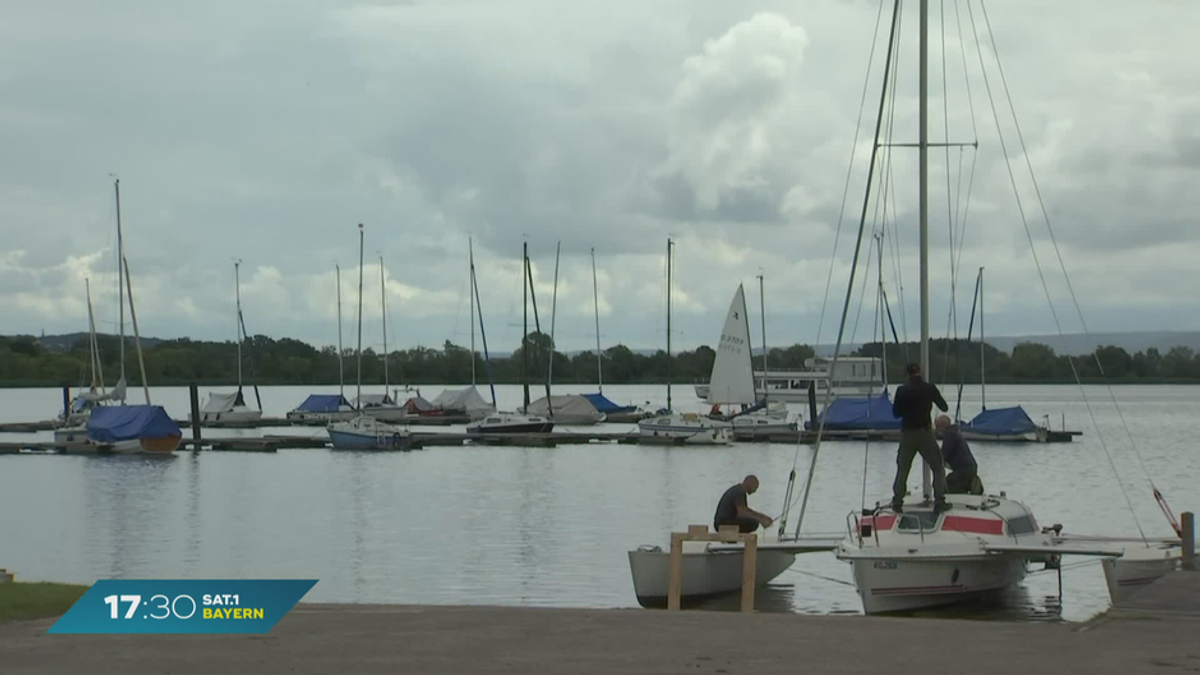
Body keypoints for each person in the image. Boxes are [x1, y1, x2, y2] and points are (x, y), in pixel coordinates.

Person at [890, 362, 950, 512]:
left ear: (907, 374)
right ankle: (939, 501)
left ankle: (897, 502)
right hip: (925, 434)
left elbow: (896, 413)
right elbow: (944, 407)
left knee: (903, 469)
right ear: (920, 372)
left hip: (907, 434)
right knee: (938, 467)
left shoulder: (902, 390)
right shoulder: (929, 388)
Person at [936, 414, 983, 495]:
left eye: (937, 426)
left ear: (942, 425)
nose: (936, 429)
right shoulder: (954, 433)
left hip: (963, 470)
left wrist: (934, 459)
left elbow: (944, 453)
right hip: (969, 468)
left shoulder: (949, 435)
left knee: (945, 487)